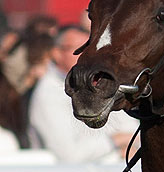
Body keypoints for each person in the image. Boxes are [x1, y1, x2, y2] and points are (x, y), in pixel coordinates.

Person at [28, 25, 139, 163]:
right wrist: (116, 142)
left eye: (89, 48)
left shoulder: (99, 83)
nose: (87, 55)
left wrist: (126, 145)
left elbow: (132, 130)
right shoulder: (48, 93)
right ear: (56, 53)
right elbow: (69, 154)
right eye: (79, 48)